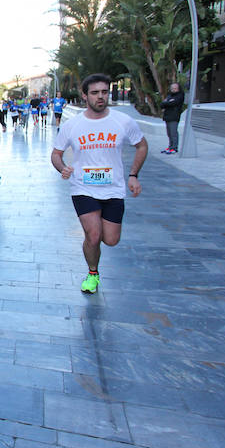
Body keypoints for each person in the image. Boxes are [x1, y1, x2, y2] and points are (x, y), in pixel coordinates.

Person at [51, 73, 148, 294]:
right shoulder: (73, 125)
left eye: (104, 92)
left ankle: (94, 259)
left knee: (111, 240)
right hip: (83, 188)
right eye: (95, 93)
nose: (100, 97)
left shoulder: (123, 121)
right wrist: (63, 167)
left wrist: (133, 175)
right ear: (85, 96)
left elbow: (142, 146)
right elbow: (56, 154)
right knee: (93, 235)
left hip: (113, 189)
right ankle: (92, 273)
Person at [160, 82, 185, 154]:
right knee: (169, 133)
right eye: (172, 88)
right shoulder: (169, 96)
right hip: (167, 116)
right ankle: (170, 146)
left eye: (175, 88)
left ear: (178, 89)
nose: (173, 90)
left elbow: (173, 103)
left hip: (174, 116)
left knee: (173, 132)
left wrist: (167, 103)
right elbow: (162, 104)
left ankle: (174, 148)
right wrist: (167, 103)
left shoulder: (180, 95)